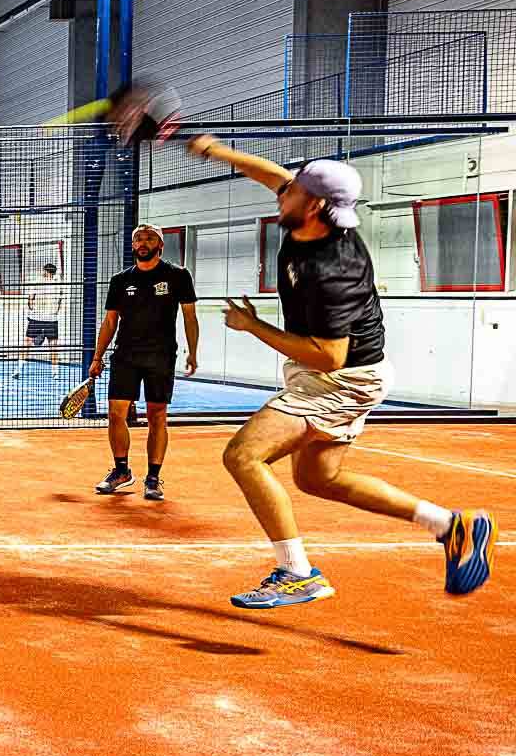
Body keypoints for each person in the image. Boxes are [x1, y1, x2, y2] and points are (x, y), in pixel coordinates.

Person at [182, 135, 494, 608]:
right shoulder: (309, 213)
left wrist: (253, 326)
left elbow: (329, 356)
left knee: (244, 456)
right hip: (334, 373)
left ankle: (297, 574)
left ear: (314, 205)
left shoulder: (333, 271)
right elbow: (272, 175)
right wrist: (214, 150)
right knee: (317, 479)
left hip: (341, 379)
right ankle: (451, 526)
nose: (282, 191)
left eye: (292, 190)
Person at [86, 225, 198, 501]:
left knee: (156, 415)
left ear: (160, 245)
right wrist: (97, 357)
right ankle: (121, 471)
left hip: (161, 355)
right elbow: (110, 321)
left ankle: (153, 478)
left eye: (149, 238)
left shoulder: (178, 276)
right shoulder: (120, 280)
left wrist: (193, 352)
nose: (143, 242)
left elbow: (189, 316)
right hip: (126, 355)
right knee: (116, 413)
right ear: (133, 245)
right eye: (138, 239)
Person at [12, 263, 64, 380]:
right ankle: (55, 373)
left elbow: (30, 299)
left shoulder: (37, 282)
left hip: (37, 318)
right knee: (53, 346)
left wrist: (32, 310)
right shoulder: (59, 285)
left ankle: (18, 370)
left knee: (26, 344)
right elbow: (60, 302)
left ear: (46, 271)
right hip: (52, 319)